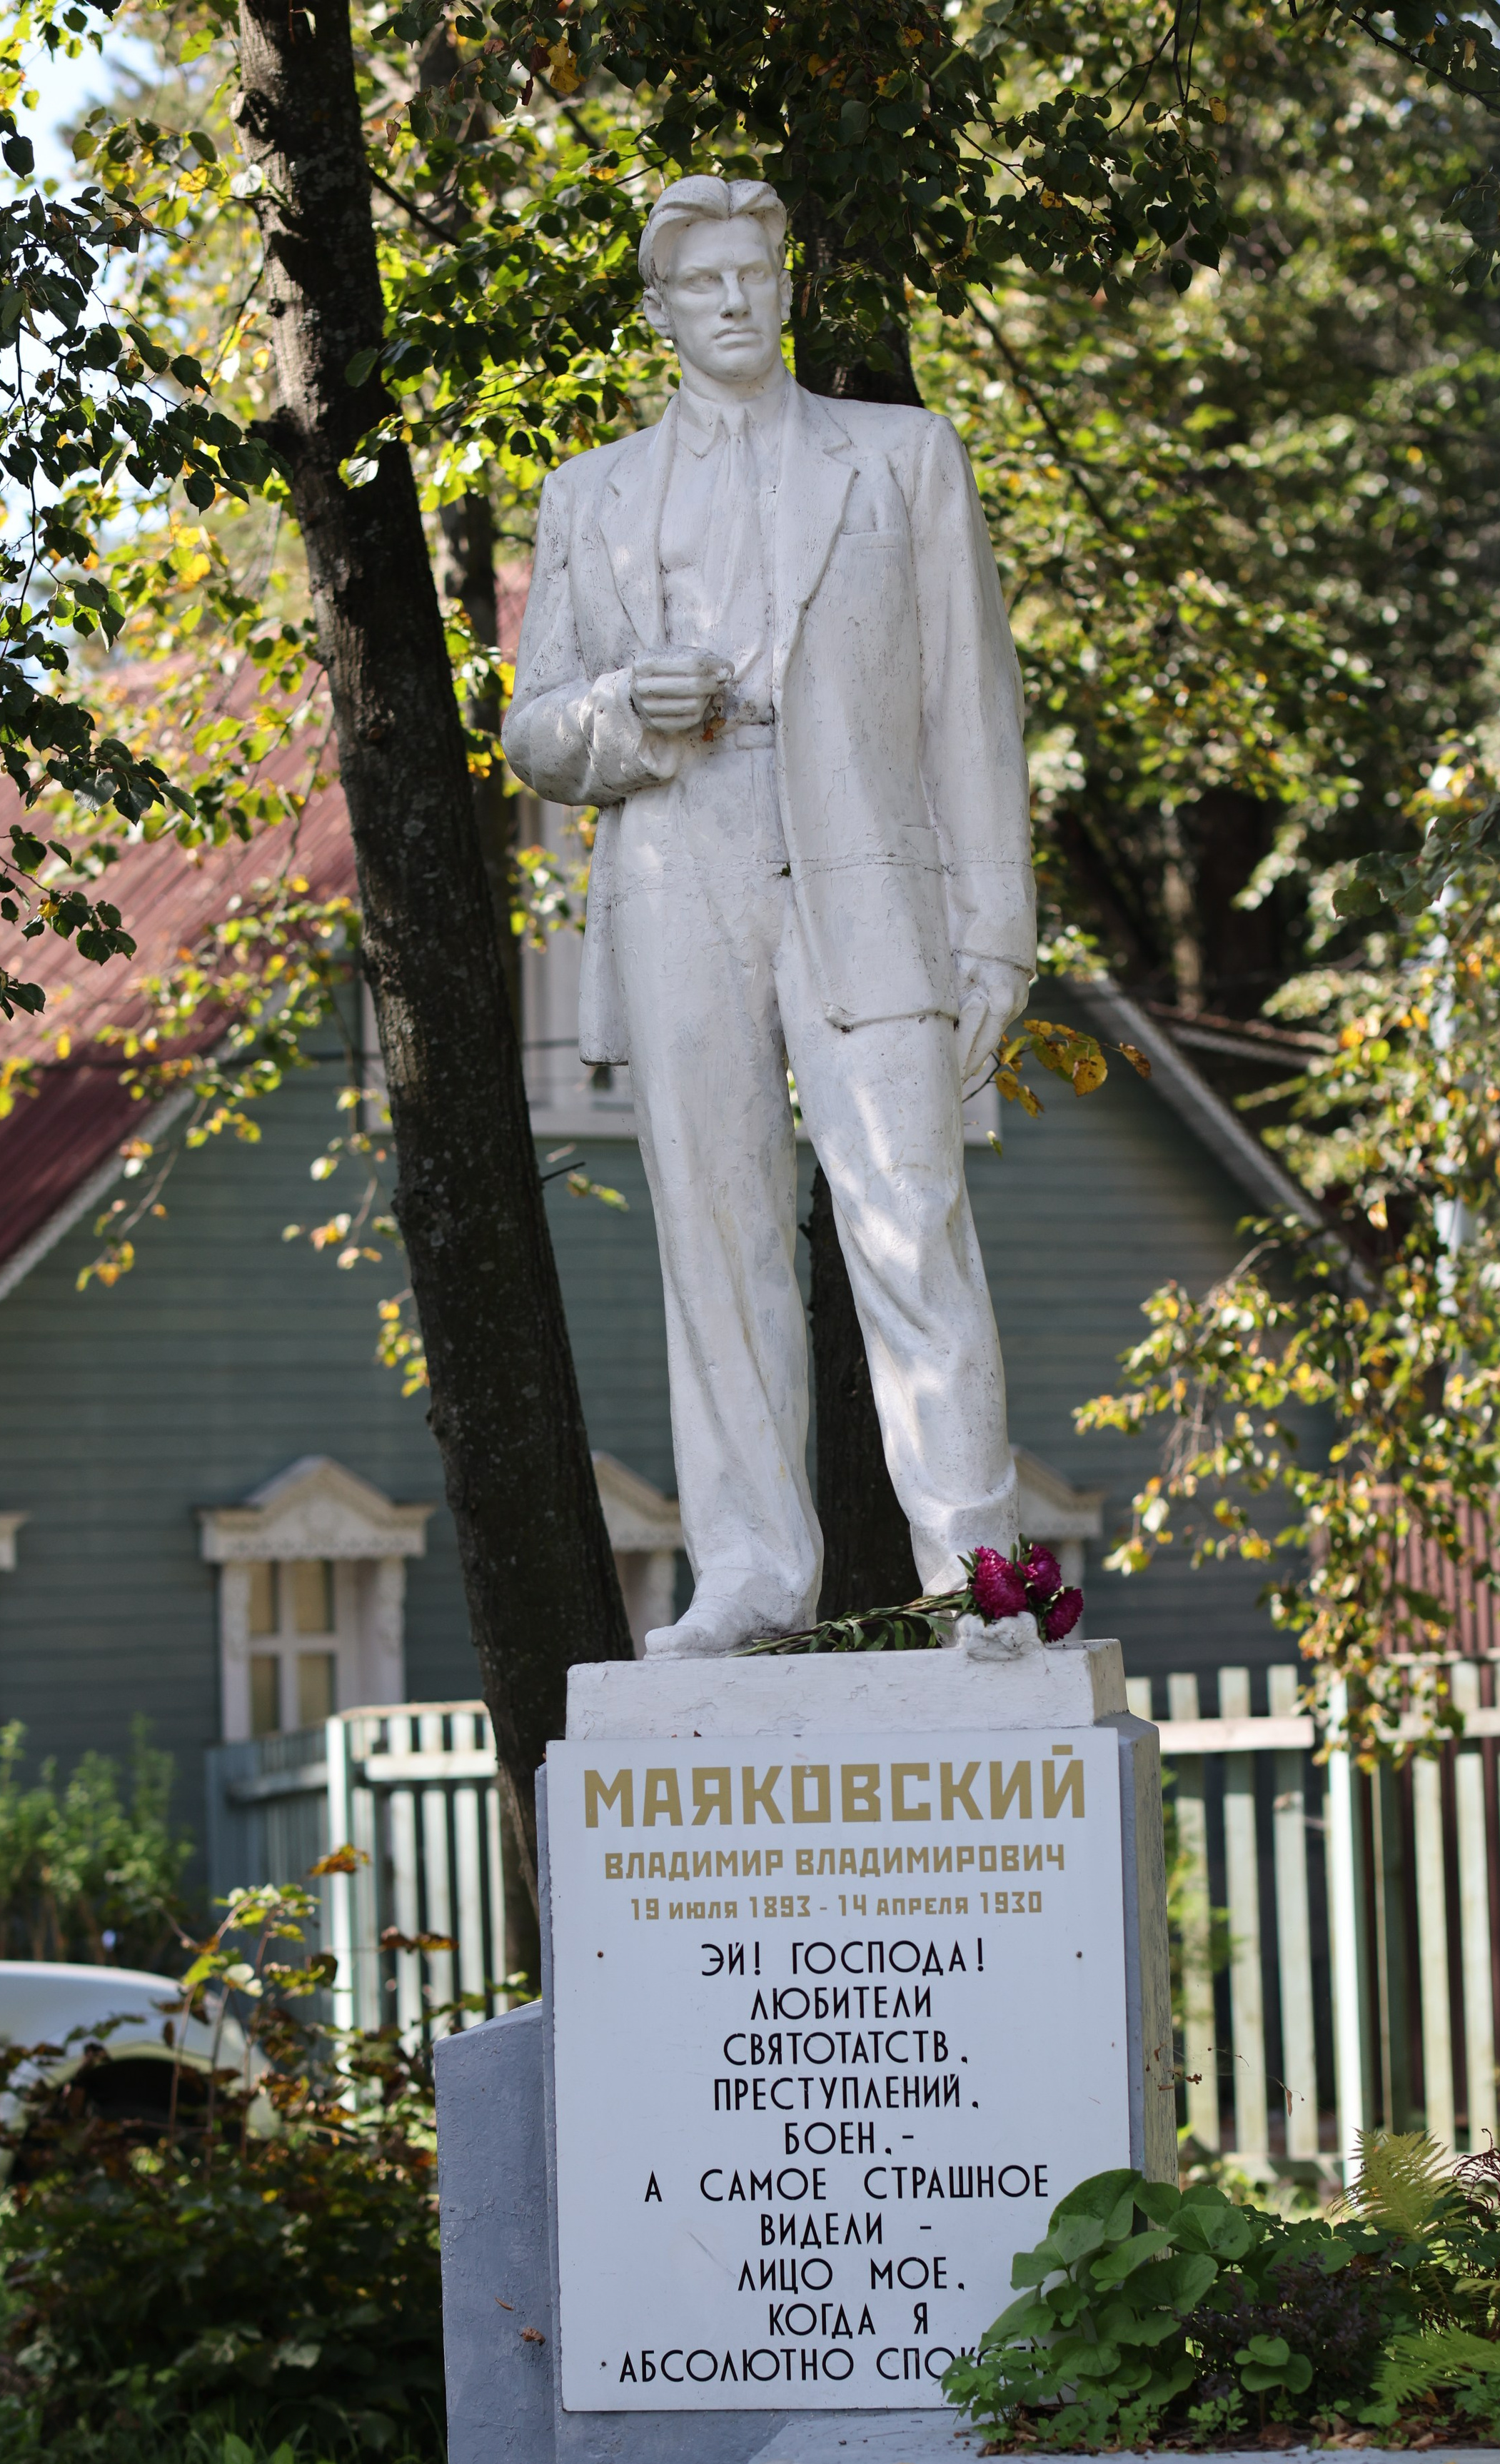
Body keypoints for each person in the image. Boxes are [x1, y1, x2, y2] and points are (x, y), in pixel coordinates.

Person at [503, 174, 1037, 1659]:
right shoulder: (589, 496)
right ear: (661, 310)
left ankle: (981, 1576)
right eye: (702, 285)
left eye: (754, 276)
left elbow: (968, 708)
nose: (732, 303)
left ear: (787, 290)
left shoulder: (900, 459)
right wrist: (624, 707)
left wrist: (995, 925)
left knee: (909, 1215)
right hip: (682, 866)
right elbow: (536, 729)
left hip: (865, 880)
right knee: (716, 1231)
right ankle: (745, 1572)